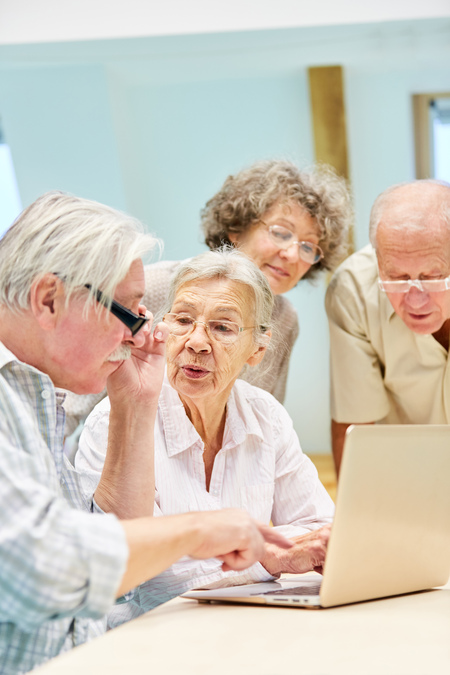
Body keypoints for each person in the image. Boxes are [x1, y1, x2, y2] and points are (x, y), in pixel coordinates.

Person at [0, 192, 290, 674]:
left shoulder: (35, 393)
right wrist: (197, 528)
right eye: (129, 314)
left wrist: (134, 406)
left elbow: (113, 559)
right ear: (48, 299)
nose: (139, 335)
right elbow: (40, 568)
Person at [75, 248, 334, 627]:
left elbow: (318, 530)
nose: (196, 342)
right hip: (150, 634)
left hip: (253, 625)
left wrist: (277, 551)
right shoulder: (117, 419)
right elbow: (150, 570)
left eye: (223, 327)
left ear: (257, 349)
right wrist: (266, 554)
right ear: (163, 327)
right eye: (182, 320)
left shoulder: (267, 416)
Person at [63, 159, 351, 434]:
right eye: (281, 232)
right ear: (237, 229)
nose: (291, 254)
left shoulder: (284, 319)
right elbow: (69, 406)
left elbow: (263, 420)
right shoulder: (152, 287)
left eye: (308, 247)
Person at [325, 179, 450, 475]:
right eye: (397, 277)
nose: (416, 300)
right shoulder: (354, 288)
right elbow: (354, 426)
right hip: (410, 471)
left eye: (433, 276)